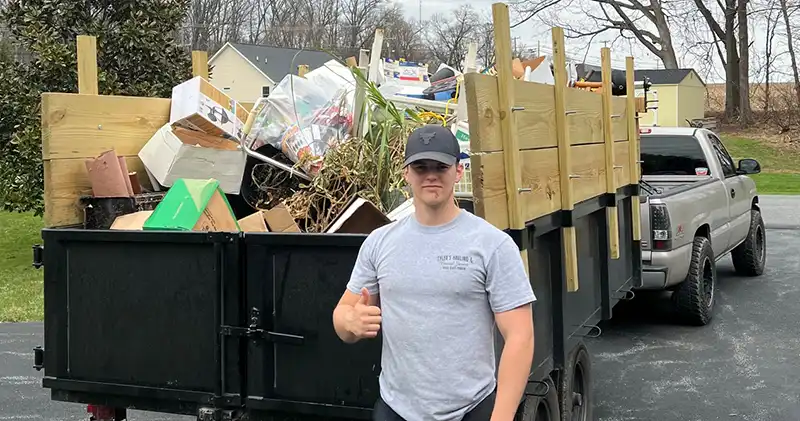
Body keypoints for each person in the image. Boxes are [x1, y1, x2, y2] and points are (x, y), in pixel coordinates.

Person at [332, 124, 536, 421]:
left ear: (458, 171)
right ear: (406, 173)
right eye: (420, 166)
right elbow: (342, 315)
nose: (430, 175)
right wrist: (349, 322)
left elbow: (520, 335)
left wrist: (501, 416)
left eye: (440, 166)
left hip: (471, 410)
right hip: (395, 410)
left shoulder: (492, 244)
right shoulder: (379, 242)